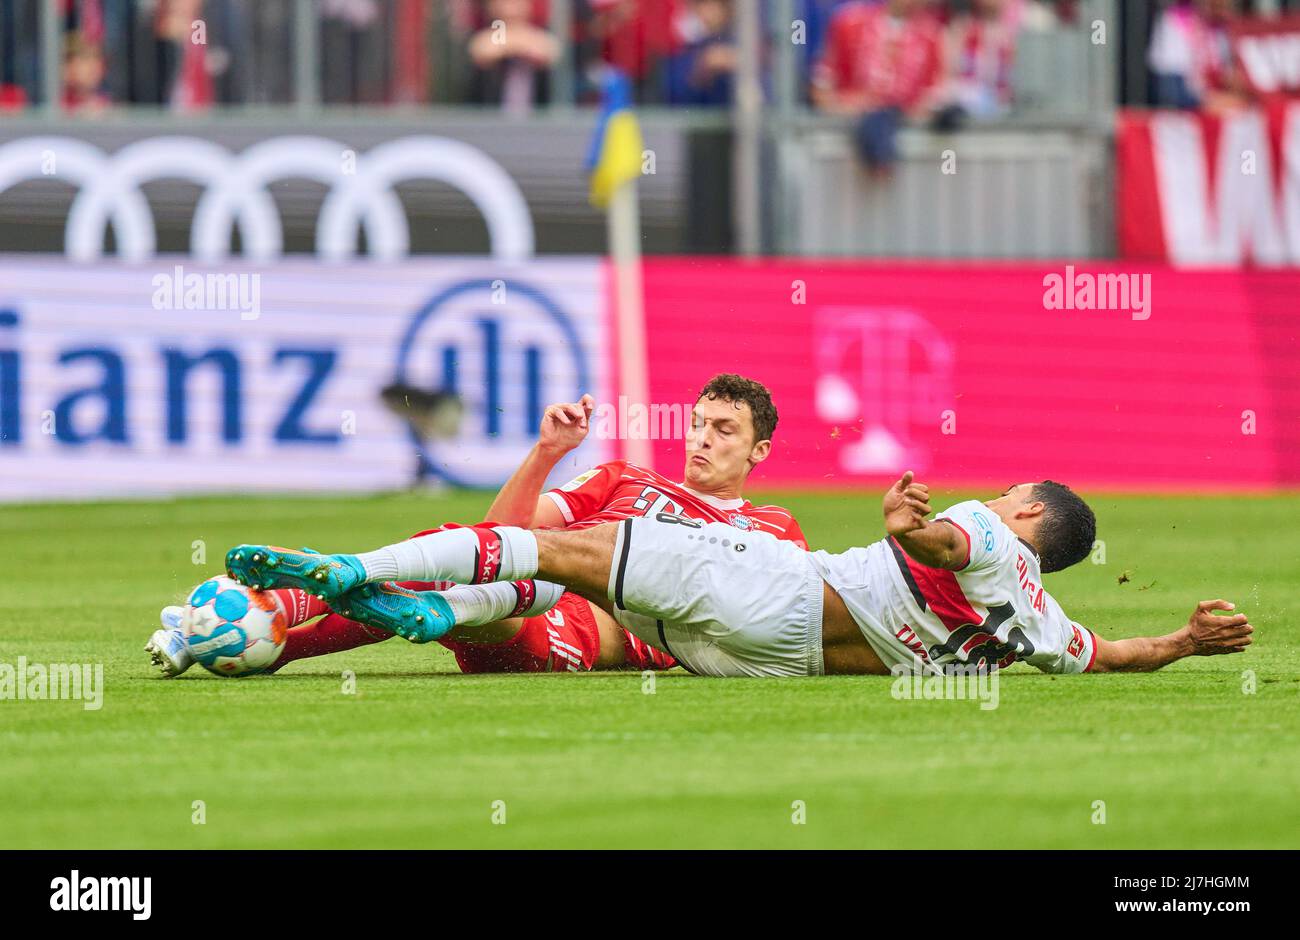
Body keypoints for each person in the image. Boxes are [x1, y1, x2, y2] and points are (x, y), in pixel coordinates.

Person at [225, 473, 1254, 677]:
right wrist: (1184, 642)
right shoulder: (1043, 621)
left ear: (1029, 512)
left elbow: (950, 544)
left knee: (556, 553)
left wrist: (911, 523)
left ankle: (347, 568)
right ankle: (431, 611)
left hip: (778, 587)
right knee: (580, 587)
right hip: (760, 665)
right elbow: (1112, 653)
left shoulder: (992, 535)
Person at [148, 374, 808, 677]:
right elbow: (500, 537)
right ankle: (265, 622)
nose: (702, 440)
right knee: (455, 555)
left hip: (592, 632)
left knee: (486, 591)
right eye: (698, 424)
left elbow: (770, 623)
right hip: (527, 588)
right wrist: (547, 454)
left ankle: (268, 624)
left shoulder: (773, 529)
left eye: (724, 431)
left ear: (758, 452)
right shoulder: (624, 482)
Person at [811, 0, 947, 174]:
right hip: (844, 150)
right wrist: (847, 106)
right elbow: (822, 83)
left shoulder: (932, 34)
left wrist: (910, 113)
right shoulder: (850, 22)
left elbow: (936, 94)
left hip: (910, 152)